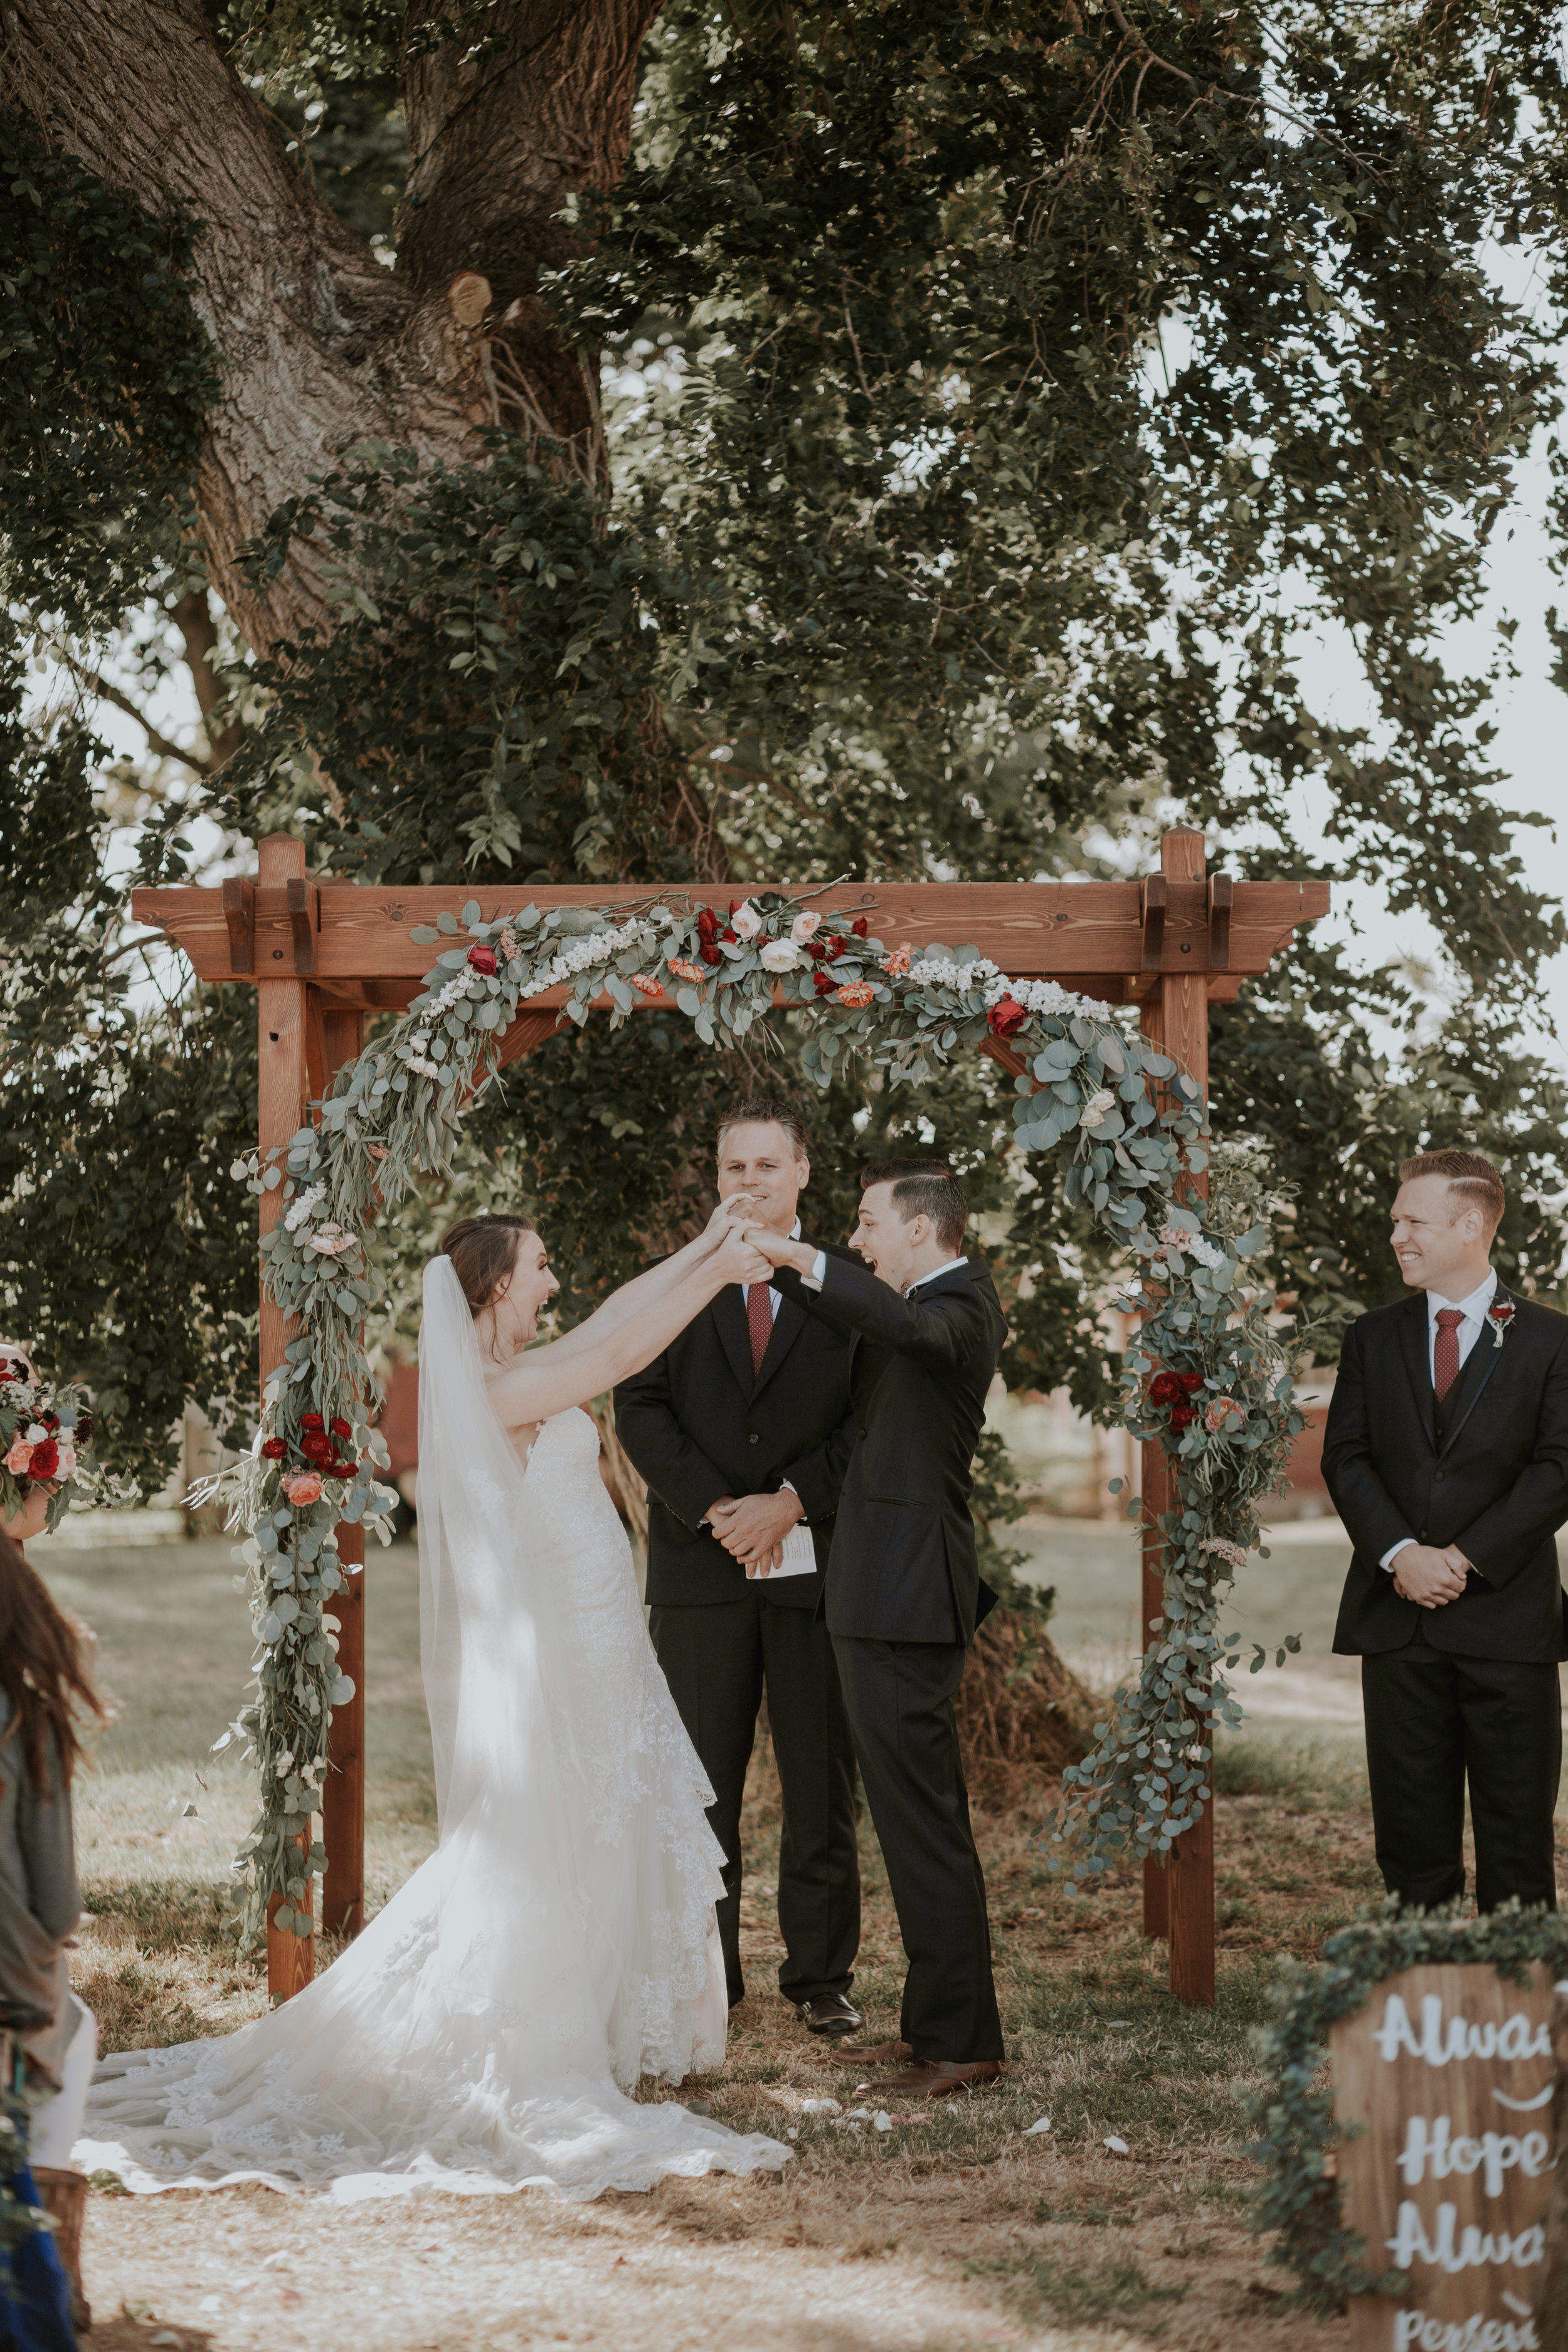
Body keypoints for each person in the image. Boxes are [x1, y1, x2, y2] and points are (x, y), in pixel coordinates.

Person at [78, 1209, 790, 2199]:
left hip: (600, 1631)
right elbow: (628, 1342)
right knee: (572, 1824)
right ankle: (556, 2023)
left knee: (603, 1820)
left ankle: (612, 2017)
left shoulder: (524, 1367)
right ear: (498, 1284)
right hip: (569, 1647)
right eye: (542, 1265)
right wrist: (717, 1267)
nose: (554, 1279)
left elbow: (620, 1316)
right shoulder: (499, 1391)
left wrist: (711, 1244)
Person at [747, 1160, 1008, 2102]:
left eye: (866, 1224)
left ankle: (963, 2042)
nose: (857, 1239)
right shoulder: (915, 1301)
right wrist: (770, 1266)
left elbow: (894, 1323)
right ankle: (932, 2026)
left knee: (925, 1826)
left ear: (921, 1230)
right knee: (906, 1824)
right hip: (874, 1596)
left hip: (907, 1602)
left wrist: (800, 1255)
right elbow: (863, 1319)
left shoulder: (963, 1306)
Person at [615, 1097, 862, 2036]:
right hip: (701, 1567)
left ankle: (821, 1977)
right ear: (716, 1178)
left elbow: (869, 1423)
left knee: (819, 1780)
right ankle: (704, 1973)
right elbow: (638, 1404)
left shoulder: (849, 1285)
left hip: (815, 1567)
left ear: (803, 1172)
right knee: (697, 1783)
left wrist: (791, 1501)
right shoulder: (676, 1283)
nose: (749, 1184)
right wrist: (720, 1509)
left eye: (766, 1166)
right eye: (734, 1169)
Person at [1323, 1148, 1568, 1914]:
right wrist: (1401, 1555)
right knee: (1410, 1839)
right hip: (1397, 1623)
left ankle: (1518, 2009)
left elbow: (1558, 1469)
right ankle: (1418, 1994)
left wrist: (1460, 1559)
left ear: (1469, 1225)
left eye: (1412, 1221)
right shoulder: (1372, 1336)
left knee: (1516, 1840)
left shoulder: (1550, 1339)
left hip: (1508, 1623)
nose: (1396, 1234)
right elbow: (1346, 1457)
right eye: (1395, 1220)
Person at [0, 1522, 109, 2328]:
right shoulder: (25, 1722)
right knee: (74, 2028)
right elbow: (58, 1907)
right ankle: (34, 2213)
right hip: (10, 2003)